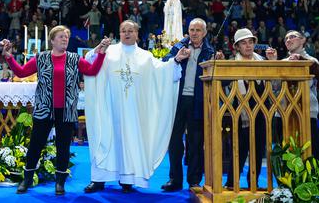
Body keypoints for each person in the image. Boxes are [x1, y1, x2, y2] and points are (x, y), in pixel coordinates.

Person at [0, 25, 110, 195]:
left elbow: (92, 70)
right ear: (52, 41)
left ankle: (60, 183)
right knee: (36, 145)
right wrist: (9, 57)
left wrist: (101, 52)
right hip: (44, 109)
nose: (65, 39)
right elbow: (21, 73)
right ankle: (27, 179)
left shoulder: (75, 58)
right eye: (60, 37)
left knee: (64, 147)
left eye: (66, 37)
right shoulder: (41, 57)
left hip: (66, 110)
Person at [83, 20, 187, 193]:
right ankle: (99, 180)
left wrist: (176, 60)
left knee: (130, 140)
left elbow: (162, 71)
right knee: (105, 139)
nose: (126, 33)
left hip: (134, 111)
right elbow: (89, 61)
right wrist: (98, 49)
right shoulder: (109, 51)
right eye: (123, 30)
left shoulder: (145, 56)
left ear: (137, 34)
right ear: (119, 33)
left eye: (130, 30)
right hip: (111, 107)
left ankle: (127, 179)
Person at [161, 18, 216, 191]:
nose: (194, 33)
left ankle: (194, 180)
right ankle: (175, 180)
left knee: (195, 142)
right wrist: (177, 58)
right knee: (175, 141)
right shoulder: (179, 46)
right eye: (192, 29)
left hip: (198, 101)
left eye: (198, 30)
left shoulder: (210, 51)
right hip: (178, 100)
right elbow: (164, 64)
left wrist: (217, 62)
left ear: (204, 33)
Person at [224, 28, 267, 188]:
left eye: (250, 42)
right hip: (239, 114)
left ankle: (253, 184)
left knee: (257, 150)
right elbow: (223, 85)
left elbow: (274, 86)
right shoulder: (231, 64)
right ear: (237, 47)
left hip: (262, 114)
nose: (248, 46)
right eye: (244, 43)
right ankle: (230, 183)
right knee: (239, 150)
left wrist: (274, 59)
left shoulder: (263, 61)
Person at [266, 30, 319, 159]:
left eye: (293, 37)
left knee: (309, 156)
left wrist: (300, 60)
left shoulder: (312, 61)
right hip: (283, 113)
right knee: (284, 156)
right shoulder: (282, 62)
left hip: (306, 113)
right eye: (286, 39)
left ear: (303, 40)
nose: (288, 40)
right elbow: (275, 86)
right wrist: (273, 62)